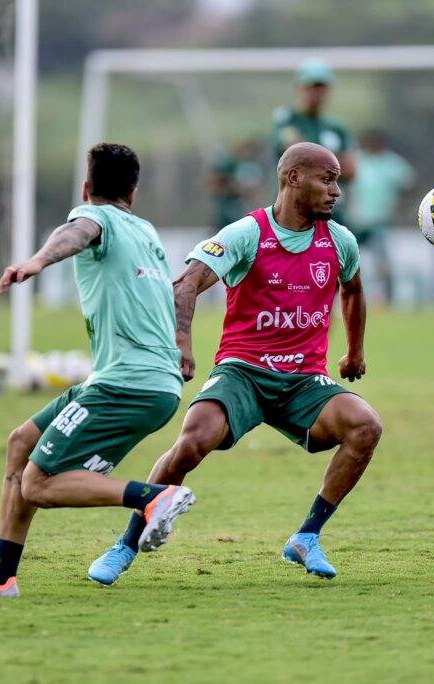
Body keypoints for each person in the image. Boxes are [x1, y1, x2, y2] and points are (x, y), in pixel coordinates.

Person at [88, 142, 382, 585]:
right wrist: (182, 344)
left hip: (303, 380)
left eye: (338, 180)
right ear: (292, 178)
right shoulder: (247, 233)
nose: (337, 190)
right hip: (243, 372)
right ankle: (126, 544)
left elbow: (354, 290)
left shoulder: (340, 241)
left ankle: (306, 537)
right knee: (192, 442)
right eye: (328, 179)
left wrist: (355, 351)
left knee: (366, 426)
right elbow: (186, 283)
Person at [0, 143, 196, 598]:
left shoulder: (93, 216)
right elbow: (176, 293)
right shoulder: (147, 232)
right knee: (22, 443)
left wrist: (37, 261)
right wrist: (182, 343)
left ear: (86, 187)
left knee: (38, 485)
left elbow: (78, 232)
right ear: (133, 193)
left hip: (127, 384)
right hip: (147, 382)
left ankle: (153, 497)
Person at [271, 57, 357, 223]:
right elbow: (294, 155)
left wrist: (313, 161)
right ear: (298, 88)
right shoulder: (287, 119)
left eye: (321, 87)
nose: (316, 93)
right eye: (310, 87)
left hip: (332, 213)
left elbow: (351, 170)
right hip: (295, 214)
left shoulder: (337, 127)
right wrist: (333, 161)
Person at [348, 128, 415, 304]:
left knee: (382, 262)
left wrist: (401, 207)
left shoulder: (391, 163)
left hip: (379, 220)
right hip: (356, 219)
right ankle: (346, 297)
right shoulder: (359, 160)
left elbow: (409, 185)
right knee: (347, 261)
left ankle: (387, 299)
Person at [207, 139, 265, 230]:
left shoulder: (251, 167)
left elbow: (251, 191)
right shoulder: (230, 164)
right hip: (226, 209)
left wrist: (240, 189)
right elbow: (214, 183)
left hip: (239, 207)